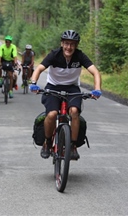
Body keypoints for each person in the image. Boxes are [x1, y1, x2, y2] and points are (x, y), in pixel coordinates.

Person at [29, 30, 102, 160]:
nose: (69, 47)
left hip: (72, 88)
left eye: (72, 44)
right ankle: (47, 142)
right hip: (53, 87)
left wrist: (97, 89)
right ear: (62, 44)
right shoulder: (54, 55)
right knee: (51, 114)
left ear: (76, 46)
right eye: (66, 44)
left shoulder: (79, 56)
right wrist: (33, 83)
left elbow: (95, 72)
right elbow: (39, 69)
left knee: (74, 112)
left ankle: (72, 146)